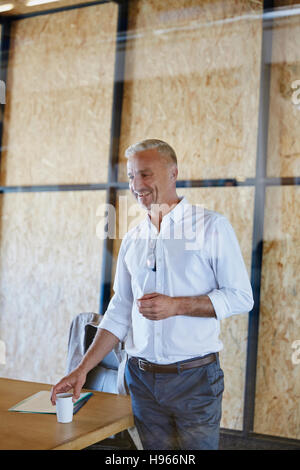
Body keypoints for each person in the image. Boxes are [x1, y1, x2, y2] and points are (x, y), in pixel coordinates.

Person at [51, 139, 254, 450]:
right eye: (132, 176)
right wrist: (81, 370)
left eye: (145, 174)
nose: (137, 185)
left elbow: (241, 297)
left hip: (195, 380)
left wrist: (177, 305)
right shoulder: (133, 238)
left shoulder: (211, 227)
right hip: (141, 380)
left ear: (173, 173)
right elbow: (119, 311)